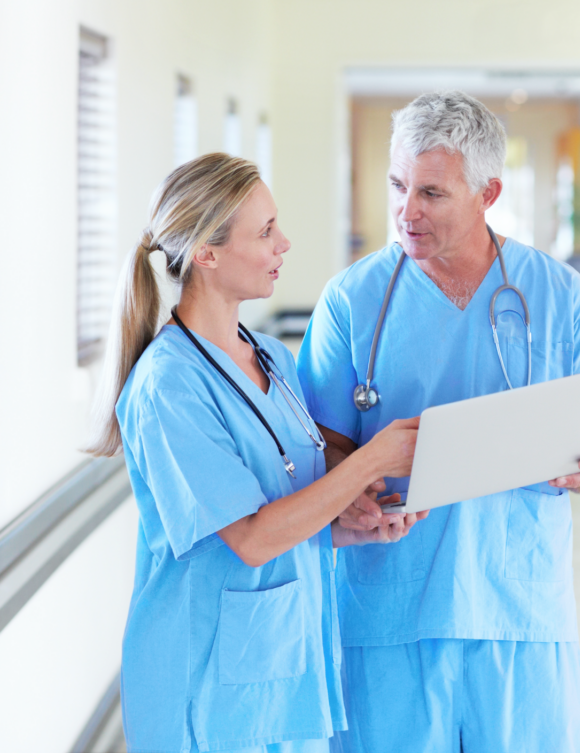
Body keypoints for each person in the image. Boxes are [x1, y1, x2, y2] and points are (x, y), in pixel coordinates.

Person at [297, 92, 580, 752]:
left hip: (520, 610)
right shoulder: (351, 301)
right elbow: (325, 448)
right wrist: (357, 486)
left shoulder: (557, 294)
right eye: (398, 184)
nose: (407, 210)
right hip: (391, 612)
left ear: (489, 193)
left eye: (431, 192)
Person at [87, 153, 426, 753]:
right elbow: (250, 538)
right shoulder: (169, 384)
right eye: (265, 231)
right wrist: (370, 462)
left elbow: (289, 511)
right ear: (207, 254)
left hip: (287, 671)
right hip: (209, 686)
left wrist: (358, 525)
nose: (284, 243)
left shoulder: (271, 356)